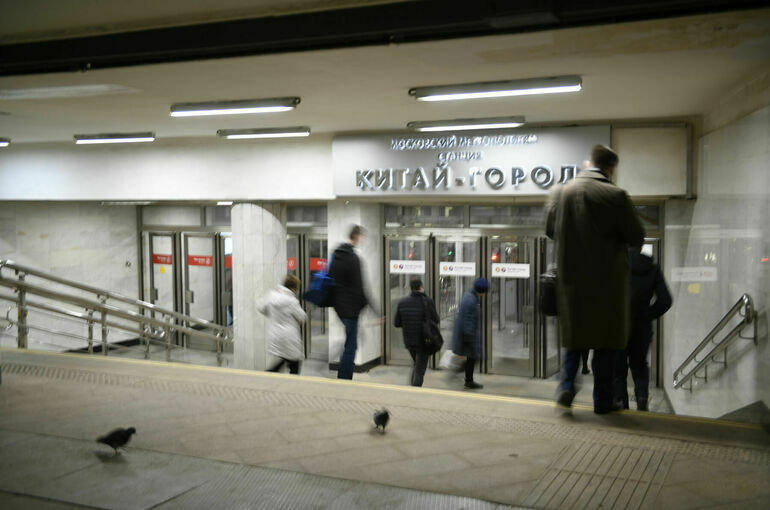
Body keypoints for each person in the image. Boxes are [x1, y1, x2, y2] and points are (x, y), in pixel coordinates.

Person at [546, 144, 645, 414]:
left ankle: (566, 385)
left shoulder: (561, 193)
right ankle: (602, 401)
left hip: (571, 284)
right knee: (605, 346)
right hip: (606, 286)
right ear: (611, 168)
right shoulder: (616, 195)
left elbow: (550, 228)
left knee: (575, 341)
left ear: (589, 163)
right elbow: (637, 236)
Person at [614, 248, 672, 411]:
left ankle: (620, 404)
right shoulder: (652, 268)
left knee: (618, 369)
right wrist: (649, 313)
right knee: (639, 365)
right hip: (642, 327)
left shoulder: (617, 265)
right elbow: (666, 300)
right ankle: (641, 399)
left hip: (619, 326)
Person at [328, 225, 381, 379]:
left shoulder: (336, 256)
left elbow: (331, 280)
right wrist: (373, 310)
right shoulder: (353, 259)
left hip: (339, 308)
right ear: (357, 236)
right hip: (350, 310)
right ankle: (344, 379)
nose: (363, 239)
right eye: (362, 236)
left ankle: (343, 376)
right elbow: (361, 288)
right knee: (351, 346)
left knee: (350, 344)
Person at [257, 274, 307, 374]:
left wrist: (271, 314)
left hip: (275, 334)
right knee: (294, 363)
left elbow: (260, 307)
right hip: (289, 336)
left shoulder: (271, 295)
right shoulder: (291, 301)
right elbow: (303, 317)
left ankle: (270, 374)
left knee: (284, 358)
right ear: (293, 288)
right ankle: (289, 384)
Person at [394, 278, 439, 387]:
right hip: (423, 340)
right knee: (420, 369)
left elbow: (397, 323)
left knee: (416, 364)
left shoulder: (402, 302)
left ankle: (412, 388)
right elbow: (436, 319)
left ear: (410, 288)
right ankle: (415, 391)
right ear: (421, 287)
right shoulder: (427, 301)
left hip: (409, 341)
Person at [451, 277, 488, 390]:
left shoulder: (468, 296)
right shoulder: (472, 301)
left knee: (472, 358)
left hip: (466, 336)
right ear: (481, 291)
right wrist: (470, 339)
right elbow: (468, 321)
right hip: (468, 336)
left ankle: (467, 379)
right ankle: (465, 378)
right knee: (473, 357)